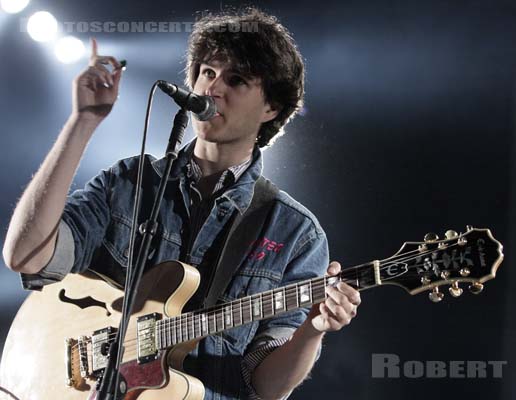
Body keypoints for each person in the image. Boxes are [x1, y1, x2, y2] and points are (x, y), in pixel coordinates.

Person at [2, 7, 361, 400]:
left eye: (236, 79)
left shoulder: (294, 232)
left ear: (271, 108)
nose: (212, 88)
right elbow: (25, 256)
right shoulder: (129, 182)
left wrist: (313, 327)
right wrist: (82, 122)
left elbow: (267, 387)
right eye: (208, 72)